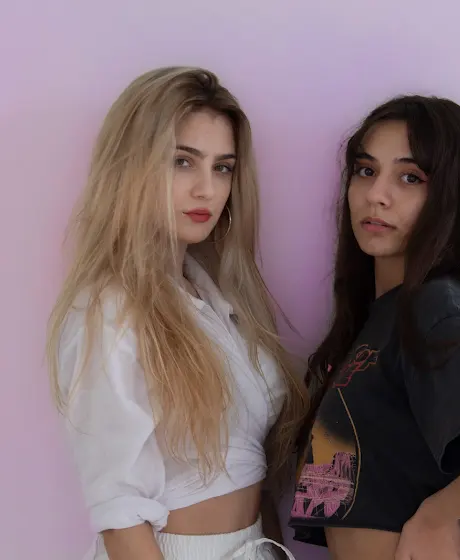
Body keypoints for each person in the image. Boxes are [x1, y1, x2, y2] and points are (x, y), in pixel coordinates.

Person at [46, 67, 307, 560]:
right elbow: (121, 519)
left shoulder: (219, 299)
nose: (207, 189)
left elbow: (252, 473)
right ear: (132, 166)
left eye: (222, 167)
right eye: (182, 162)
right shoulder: (108, 308)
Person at [288, 95, 460, 560]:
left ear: (450, 196)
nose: (377, 194)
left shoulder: (433, 307)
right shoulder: (382, 317)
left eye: (410, 177)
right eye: (366, 170)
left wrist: (436, 517)